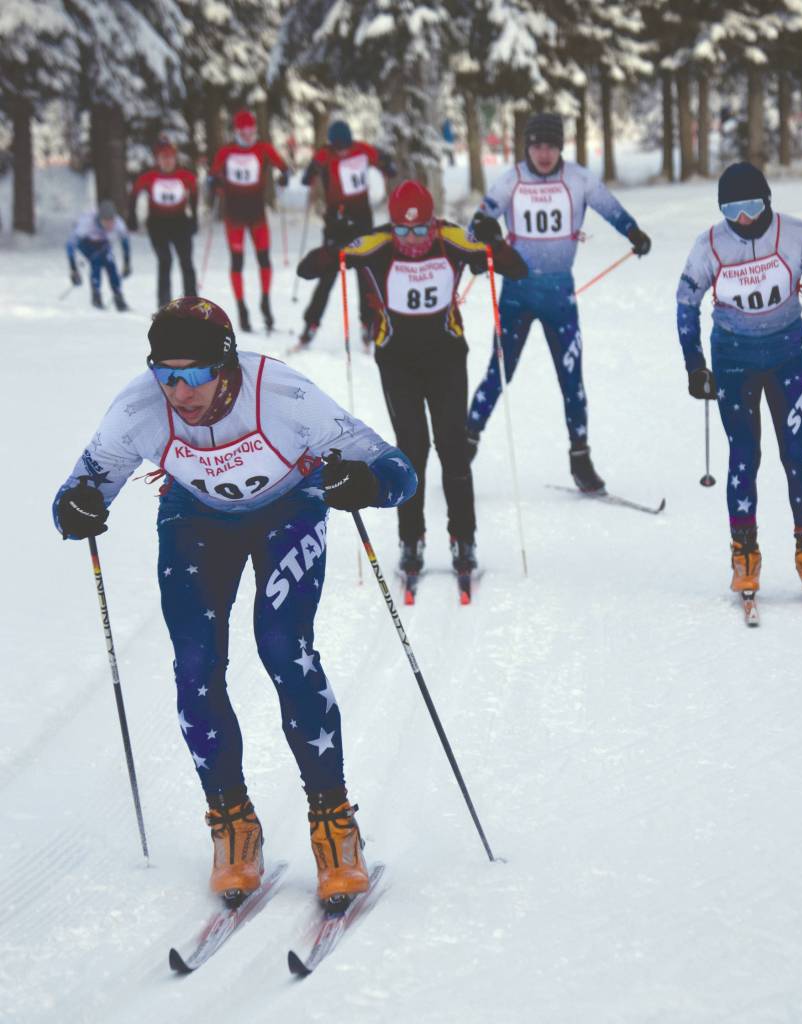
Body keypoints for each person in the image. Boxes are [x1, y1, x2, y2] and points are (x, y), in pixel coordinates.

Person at [52, 296, 417, 907]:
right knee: (195, 665)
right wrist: (77, 509)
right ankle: (232, 824)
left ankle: (334, 825)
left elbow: (396, 468)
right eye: (164, 373)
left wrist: (368, 483)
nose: (179, 391)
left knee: (282, 646)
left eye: (194, 374)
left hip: (290, 507)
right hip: (195, 518)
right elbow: (80, 489)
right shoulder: (137, 408)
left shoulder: (284, 396)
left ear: (226, 367)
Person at [297, 180, 527, 581]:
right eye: (403, 231)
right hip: (398, 363)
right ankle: (411, 539)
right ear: (392, 226)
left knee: (453, 449)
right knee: (412, 450)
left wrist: (497, 242)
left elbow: (514, 268)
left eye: (421, 229)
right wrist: (338, 244)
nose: (413, 240)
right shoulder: (377, 244)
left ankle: (463, 539)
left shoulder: (453, 238)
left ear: (433, 224)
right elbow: (309, 268)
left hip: (447, 360)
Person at [675, 161, 802, 597]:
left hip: (787, 355)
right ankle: (744, 554)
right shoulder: (710, 245)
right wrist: (695, 364)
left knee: (797, 452)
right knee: (744, 455)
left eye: (752, 206)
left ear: (768, 201)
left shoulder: (798, 235)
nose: (744, 220)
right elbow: (685, 302)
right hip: (734, 359)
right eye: (733, 210)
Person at [465, 111, 652, 493]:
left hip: (559, 297)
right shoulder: (512, 179)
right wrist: (481, 235)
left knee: (571, 378)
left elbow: (610, 207)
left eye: (551, 146)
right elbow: (476, 225)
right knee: (498, 373)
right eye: (537, 145)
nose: (544, 153)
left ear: (560, 147)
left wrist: (633, 231)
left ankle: (580, 460)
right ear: (527, 147)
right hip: (516, 295)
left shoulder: (578, 179)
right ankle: (463, 447)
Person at [297, 120, 396, 348]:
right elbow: (308, 176)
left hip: (361, 218)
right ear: (332, 145)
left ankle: (368, 323)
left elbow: (382, 162)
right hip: (336, 222)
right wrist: (310, 173)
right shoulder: (325, 155)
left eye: (346, 146)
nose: (344, 151)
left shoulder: (362, 149)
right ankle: (310, 325)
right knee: (328, 273)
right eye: (339, 147)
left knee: (366, 271)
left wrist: (386, 164)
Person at [209, 109, 289, 333]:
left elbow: (283, 166)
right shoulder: (226, 152)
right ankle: (242, 308)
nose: (248, 135)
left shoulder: (263, 149)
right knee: (237, 262)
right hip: (234, 215)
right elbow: (212, 174)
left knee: (264, 258)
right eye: (244, 131)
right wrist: (214, 183)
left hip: (256, 214)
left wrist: (283, 175)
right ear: (236, 131)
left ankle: (265, 301)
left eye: (251, 130)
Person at [128, 139, 199, 307]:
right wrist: (132, 217)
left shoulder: (185, 175)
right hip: (157, 223)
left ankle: (192, 303)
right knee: (165, 260)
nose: (167, 161)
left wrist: (194, 217)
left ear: (175, 158)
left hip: (180, 221)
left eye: (170, 157)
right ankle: (164, 304)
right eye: (163, 157)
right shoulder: (150, 176)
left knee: (186, 261)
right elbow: (134, 193)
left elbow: (195, 194)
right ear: (157, 159)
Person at [66, 199, 131, 311]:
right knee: (96, 261)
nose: (110, 224)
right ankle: (96, 296)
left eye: (112, 221)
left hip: (103, 242)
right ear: (99, 219)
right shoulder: (86, 223)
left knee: (110, 263)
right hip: (86, 243)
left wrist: (127, 263)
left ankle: (118, 295)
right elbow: (70, 244)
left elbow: (125, 242)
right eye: (106, 221)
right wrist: (73, 269)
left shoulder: (119, 223)